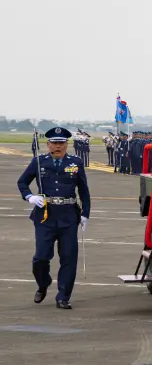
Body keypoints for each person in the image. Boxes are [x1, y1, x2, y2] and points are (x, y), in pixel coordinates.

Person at [16, 127, 91, 309]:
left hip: (68, 216)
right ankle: (43, 283)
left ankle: (63, 296)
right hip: (45, 217)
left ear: (67, 144)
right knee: (41, 257)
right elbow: (22, 182)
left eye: (62, 143)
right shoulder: (39, 162)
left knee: (69, 258)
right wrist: (29, 197)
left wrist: (85, 214)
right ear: (48, 145)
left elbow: (83, 190)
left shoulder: (75, 162)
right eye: (54, 143)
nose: (58, 147)